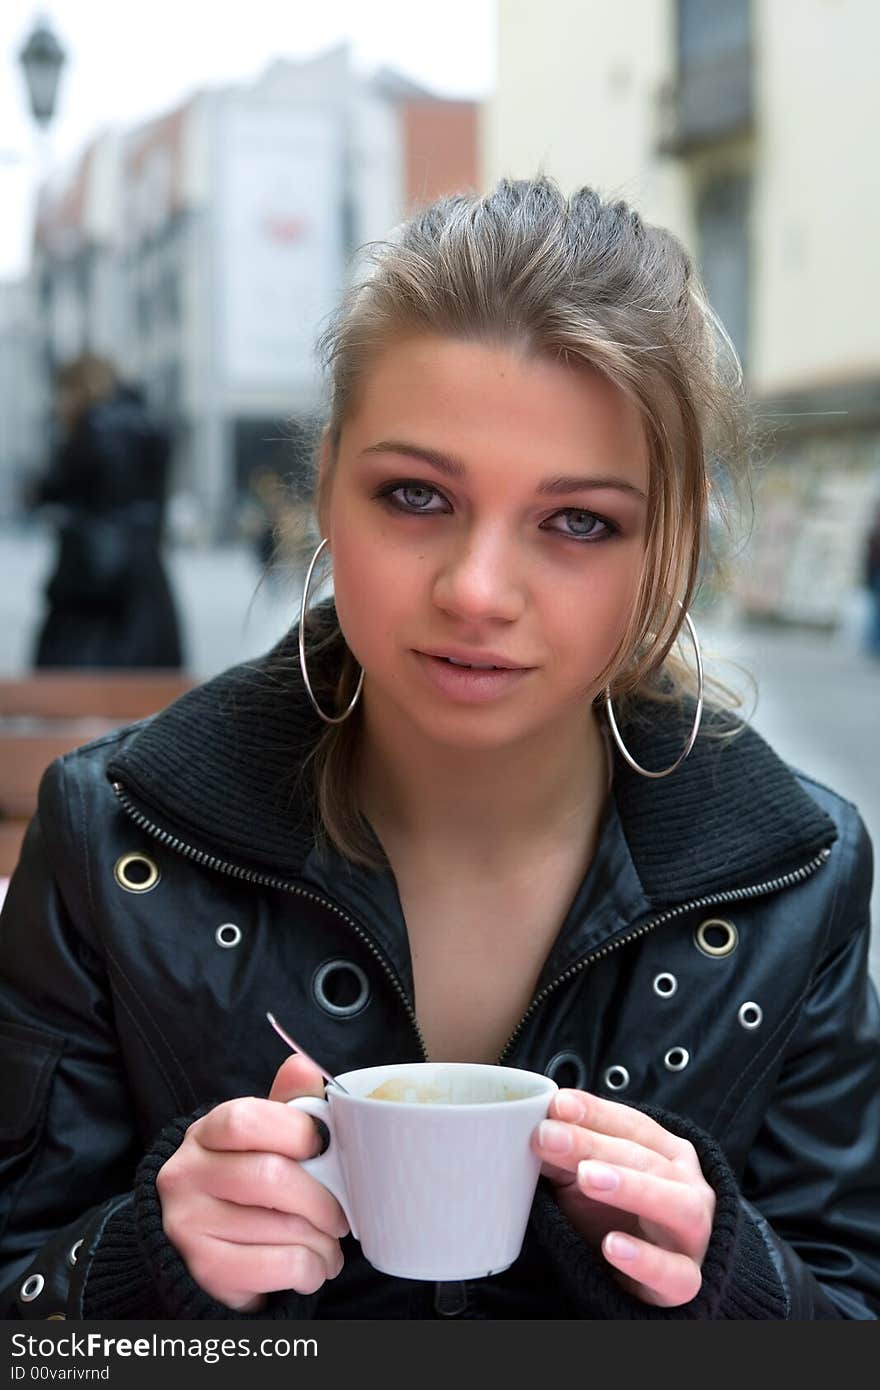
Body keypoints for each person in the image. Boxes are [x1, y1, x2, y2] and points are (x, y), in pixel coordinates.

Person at [1, 178, 878, 1321]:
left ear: (670, 537)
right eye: (416, 495)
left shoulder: (794, 878)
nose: (474, 591)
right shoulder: (113, 837)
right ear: (324, 486)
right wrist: (140, 1267)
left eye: (577, 522)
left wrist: (724, 1279)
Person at [27, 352, 184, 668]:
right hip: (146, 593)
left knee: (70, 701)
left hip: (90, 595)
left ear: (76, 390)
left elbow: (49, 490)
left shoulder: (92, 431)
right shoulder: (147, 427)